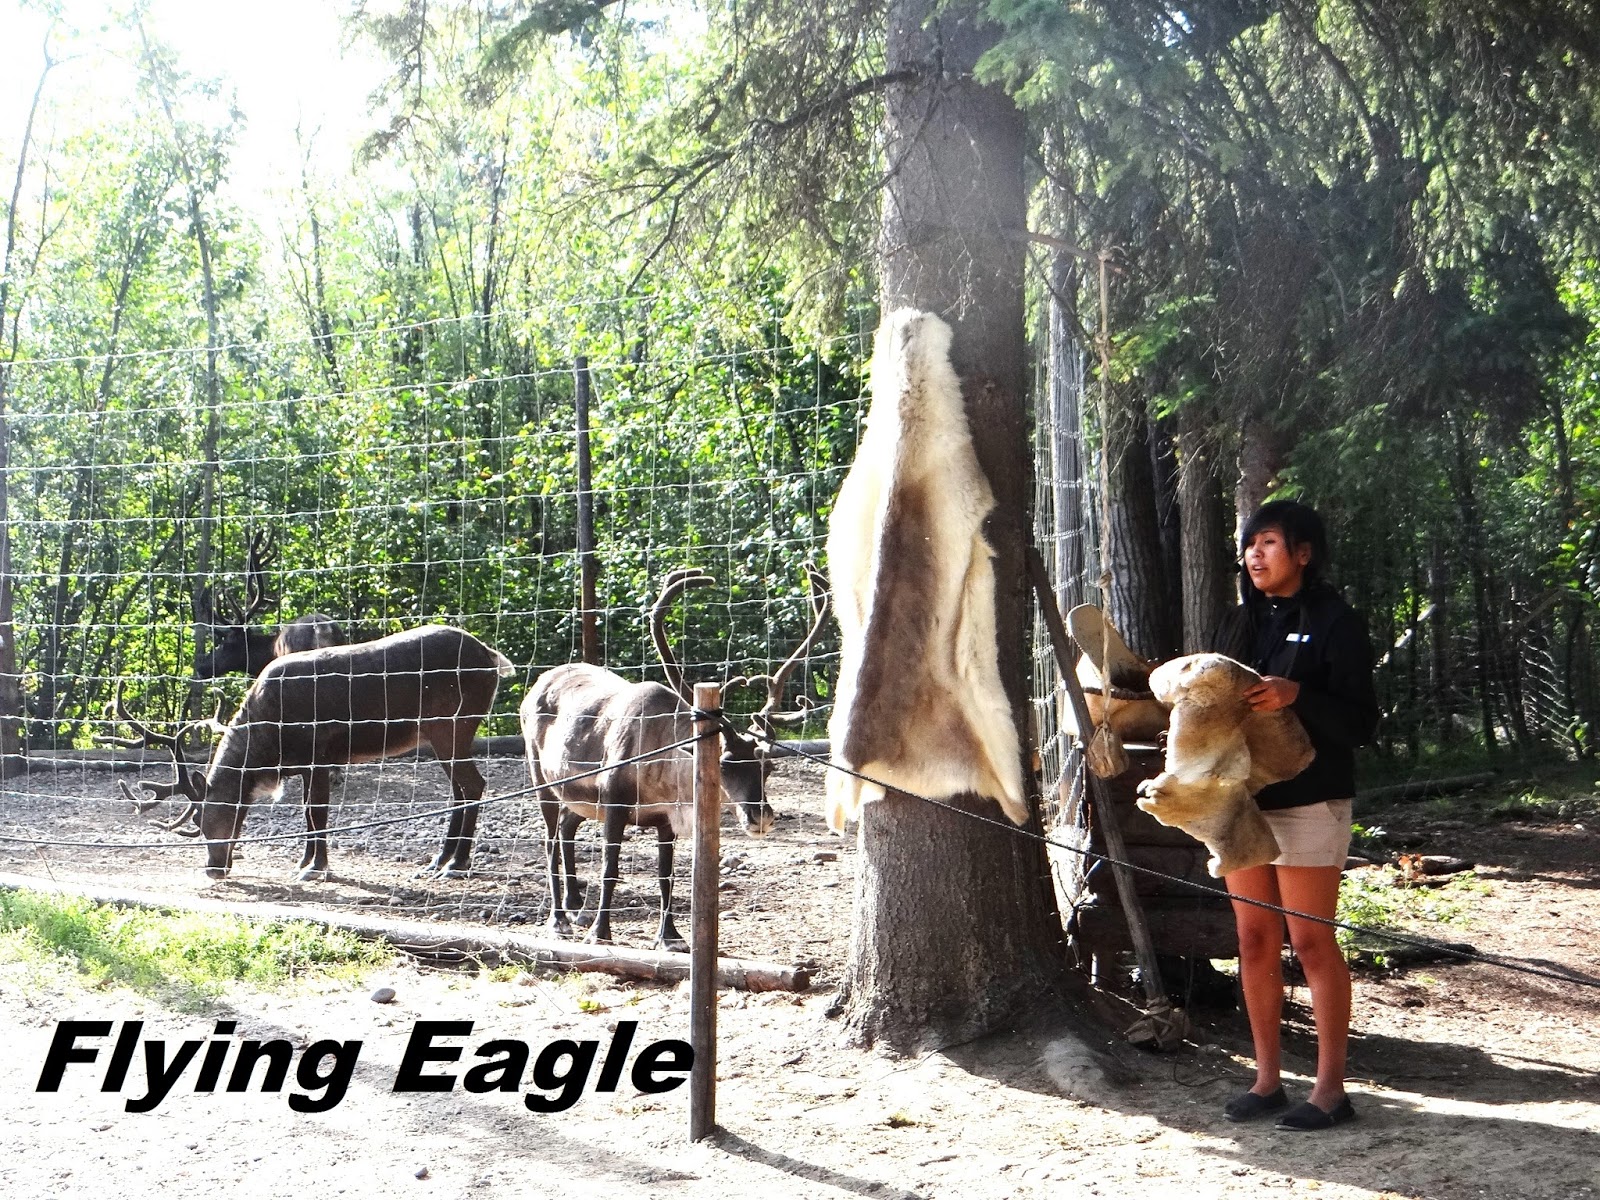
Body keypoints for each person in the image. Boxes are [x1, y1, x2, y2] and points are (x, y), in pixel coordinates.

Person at [1211, 500, 1379, 1132]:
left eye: (1269, 543)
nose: (1254, 555)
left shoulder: (1338, 622)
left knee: (1309, 942)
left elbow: (1361, 724)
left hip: (1313, 800)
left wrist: (1297, 695)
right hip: (1242, 804)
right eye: (1249, 544)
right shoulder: (1239, 621)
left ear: (1303, 554)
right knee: (1254, 940)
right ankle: (1267, 1082)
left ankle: (1331, 1092)